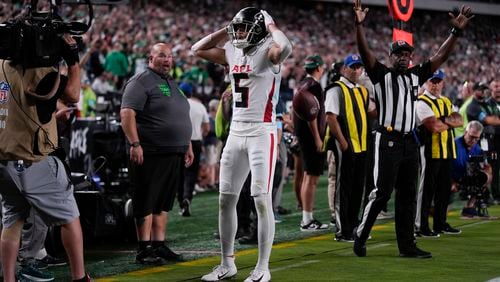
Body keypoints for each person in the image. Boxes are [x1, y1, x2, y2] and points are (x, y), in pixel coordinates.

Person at [352, 0, 473, 258]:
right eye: (399, 54)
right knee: (382, 192)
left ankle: (407, 246)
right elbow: (365, 53)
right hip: (387, 140)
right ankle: (361, 234)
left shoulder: (416, 75)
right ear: (391, 56)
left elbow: (440, 57)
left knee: (408, 196)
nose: (404, 57)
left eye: (407, 54)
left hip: (410, 142)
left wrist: (455, 33)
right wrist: (359, 25)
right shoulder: (380, 74)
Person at [192, 7, 292, 282]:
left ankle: (263, 267)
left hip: (262, 131)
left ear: (258, 29)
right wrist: (227, 28)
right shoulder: (231, 51)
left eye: (243, 28)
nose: (238, 34)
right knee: (226, 199)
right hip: (236, 132)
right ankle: (227, 263)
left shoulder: (270, 51)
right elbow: (196, 48)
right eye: (237, 29)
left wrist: (271, 25)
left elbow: (286, 47)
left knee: (261, 200)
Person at [0, 34, 89, 281]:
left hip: (3, 159)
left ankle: (8, 279)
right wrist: (72, 59)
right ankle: (79, 277)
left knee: (12, 221)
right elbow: (72, 94)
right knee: (70, 218)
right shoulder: (39, 70)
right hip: (32, 158)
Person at [120, 43, 194, 265]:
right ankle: (144, 250)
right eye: (162, 56)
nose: (167, 60)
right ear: (150, 57)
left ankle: (159, 246)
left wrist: (187, 143)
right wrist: (135, 144)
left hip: (173, 152)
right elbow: (127, 114)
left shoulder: (171, 82)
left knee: (162, 203)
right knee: (146, 201)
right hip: (149, 152)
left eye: (170, 56)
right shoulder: (140, 81)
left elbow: (180, 116)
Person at [325, 54, 376, 242]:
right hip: (347, 145)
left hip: (362, 144)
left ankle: (354, 225)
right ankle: (342, 230)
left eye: (358, 67)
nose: (356, 71)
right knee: (343, 188)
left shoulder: (362, 91)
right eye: (352, 67)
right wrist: (343, 142)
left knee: (357, 187)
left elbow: (372, 111)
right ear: (344, 69)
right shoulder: (335, 89)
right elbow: (330, 117)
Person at [415, 69, 463, 237]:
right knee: (426, 189)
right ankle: (421, 225)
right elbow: (433, 127)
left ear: (443, 82)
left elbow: (460, 120)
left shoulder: (446, 101)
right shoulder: (421, 101)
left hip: (447, 150)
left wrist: (443, 122)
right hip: (430, 150)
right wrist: (449, 122)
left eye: (438, 81)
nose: (434, 85)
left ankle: (440, 223)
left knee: (444, 190)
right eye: (431, 81)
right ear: (426, 82)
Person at [293, 54, 329, 231]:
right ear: (318, 68)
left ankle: (307, 217)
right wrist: (317, 138)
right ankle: (307, 219)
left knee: (308, 176)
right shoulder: (313, 86)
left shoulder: (301, 84)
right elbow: (312, 114)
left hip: (302, 135)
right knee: (311, 178)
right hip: (310, 136)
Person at [178, 83, 210, 217]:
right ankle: (187, 198)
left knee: (179, 173)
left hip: (179, 141)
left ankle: (181, 201)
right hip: (196, 141)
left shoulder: (178, 104)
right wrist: (200, 135)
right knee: (191, 173)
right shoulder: (200, 106)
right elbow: (207, 128)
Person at [466, 81, 500, 205]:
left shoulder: (485, 104)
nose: (483, 92)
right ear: (475, 91)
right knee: (480, 169)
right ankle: (478, 198)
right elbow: (489, 119)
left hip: (490, 142)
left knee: (492, 168)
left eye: (484, 89)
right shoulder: (473, 106)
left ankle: (489, 195)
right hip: (477, 142)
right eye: (480, 89)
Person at [452, 121, 492, 217]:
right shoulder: (453, 144)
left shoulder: (477, 148)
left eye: (476, 138)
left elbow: (486, 166)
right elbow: (443, 167)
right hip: (450, 178)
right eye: (471, 136)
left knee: (485, 177)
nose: (473, 140)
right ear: (465, 133)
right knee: (438, 210)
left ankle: (469, 207)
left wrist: (487, 174)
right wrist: (451, 181)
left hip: (467, 177)